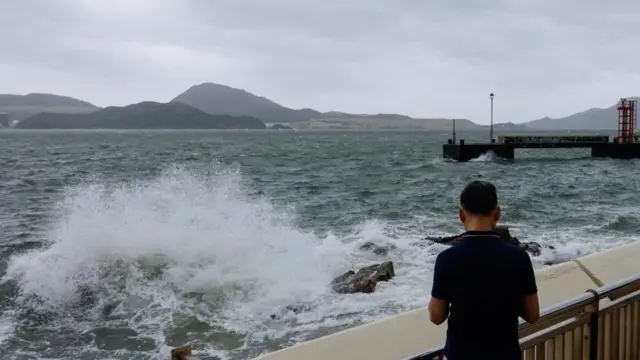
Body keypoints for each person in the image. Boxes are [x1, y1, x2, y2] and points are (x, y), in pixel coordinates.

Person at [428, 180, 540, 360]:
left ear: (461, 214)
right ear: (497, 213)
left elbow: (436, 316)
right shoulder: (518, 257)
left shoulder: (447, 259)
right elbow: (533, 314)